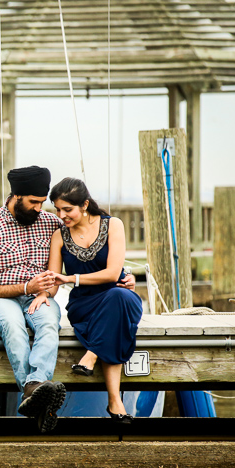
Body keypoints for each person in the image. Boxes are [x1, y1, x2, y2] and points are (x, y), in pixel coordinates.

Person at [0, 166, 66, 433]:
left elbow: (85, 248)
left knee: (48, 321)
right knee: (13, 324)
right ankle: (39, 400)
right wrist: (24, 286)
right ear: (16, 196)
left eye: (42, 203)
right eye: (33, 202)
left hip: (39, 297)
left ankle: (33, 389)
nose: (38, 208)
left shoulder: (51, 224)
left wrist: (121, 276)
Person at [48, 177, 143, 423]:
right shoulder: (59, 237)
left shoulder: (113, 225)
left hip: (119, 298)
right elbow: (54, 280)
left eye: (67, 209)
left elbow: (113, 274)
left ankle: (91, 356)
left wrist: (71, 279)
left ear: (85, 204)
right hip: (85, 305)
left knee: (118, 295)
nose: (62, 215)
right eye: (58, 209)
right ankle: (115, 402)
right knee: (116, 313)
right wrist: (40, 295)